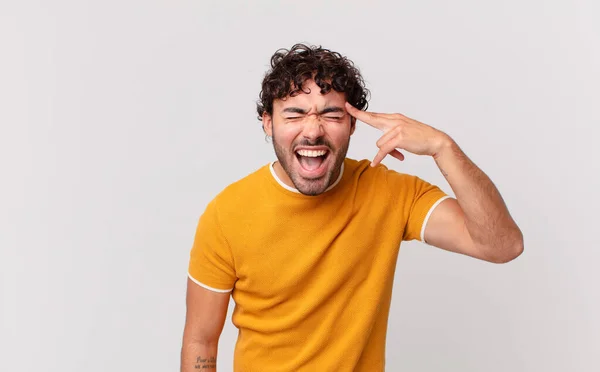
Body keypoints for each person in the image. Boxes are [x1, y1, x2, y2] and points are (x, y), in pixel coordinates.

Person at [180, 43, 524, 372]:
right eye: (294, 114)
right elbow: (201, 340)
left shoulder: (391, 193)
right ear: (268, 123)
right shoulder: (227, 214)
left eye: (331, 114)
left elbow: (502, 244)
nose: (312, 131)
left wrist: (442, 147)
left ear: (353, 125)